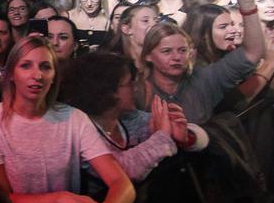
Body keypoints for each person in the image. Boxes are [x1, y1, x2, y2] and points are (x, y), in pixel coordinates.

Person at [0, 35, 135, 203]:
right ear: (11, 74)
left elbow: (123, 186)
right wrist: (61, 197)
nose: (36, 75)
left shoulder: (74, 119)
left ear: (54, 76)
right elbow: (4, 200)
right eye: (26, 65)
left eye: (45, 67)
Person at [61, 52, 208, 183]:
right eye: (129, 84)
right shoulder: (80, 129)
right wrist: (162, 135)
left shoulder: (129, 118)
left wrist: (186, 137)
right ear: (104, 91)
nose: (136, 88)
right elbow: (123, 171)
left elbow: (202, 138)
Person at [135, 0, 263, 125]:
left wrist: (248, 6)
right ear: (149, 56)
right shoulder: (137, 92)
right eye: (166, 51)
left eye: (182, 50)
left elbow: (252, 52)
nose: (176, 57)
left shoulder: (204, 80)